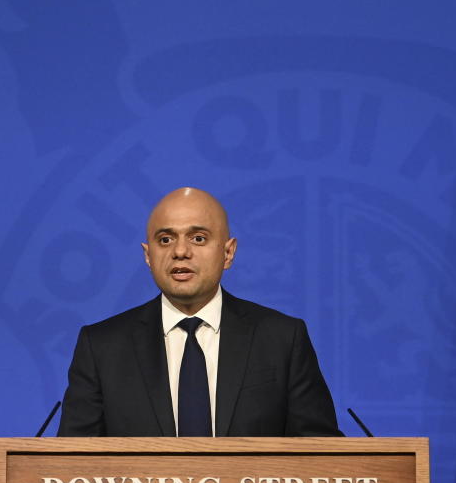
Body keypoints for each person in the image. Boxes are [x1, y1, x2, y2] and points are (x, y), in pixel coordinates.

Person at [57, 187, 341, 437]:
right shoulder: (103, 346)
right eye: (165, 240)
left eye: (199, 238)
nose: (180, 251)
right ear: (147, 255)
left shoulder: (281, 339)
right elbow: (67, 469)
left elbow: (324, 459)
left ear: (228, 253)